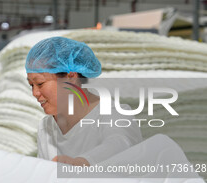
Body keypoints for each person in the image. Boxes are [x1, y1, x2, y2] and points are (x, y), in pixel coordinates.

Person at [26, 37, 142, 166]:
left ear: (71, 78)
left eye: (40, 83)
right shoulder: (46, 127)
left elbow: (120, 143)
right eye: (31, 85)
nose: (35, 93)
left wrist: (81, 162)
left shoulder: (113, 114)